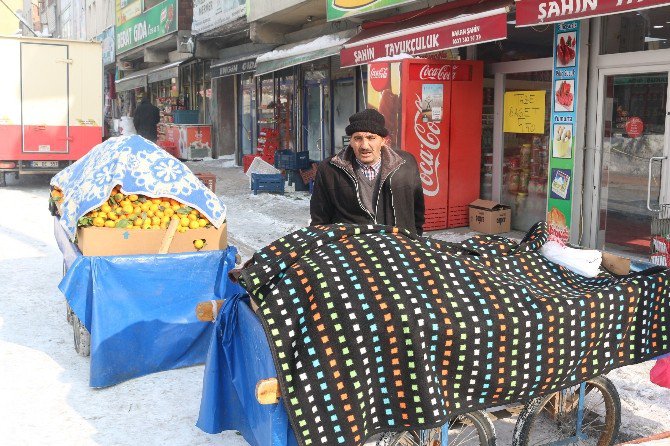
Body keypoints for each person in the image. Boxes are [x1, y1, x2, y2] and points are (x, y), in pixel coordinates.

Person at [310, 108, 425, 235]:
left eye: (371, 138)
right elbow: (319, 220)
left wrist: (414, 239)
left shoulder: (406, 163)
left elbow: (417, 211)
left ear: (383, 141)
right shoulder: (329, 169)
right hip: (352, 248)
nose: (364, 146)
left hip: (398, 246)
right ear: (351, 141)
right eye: (358, 138)